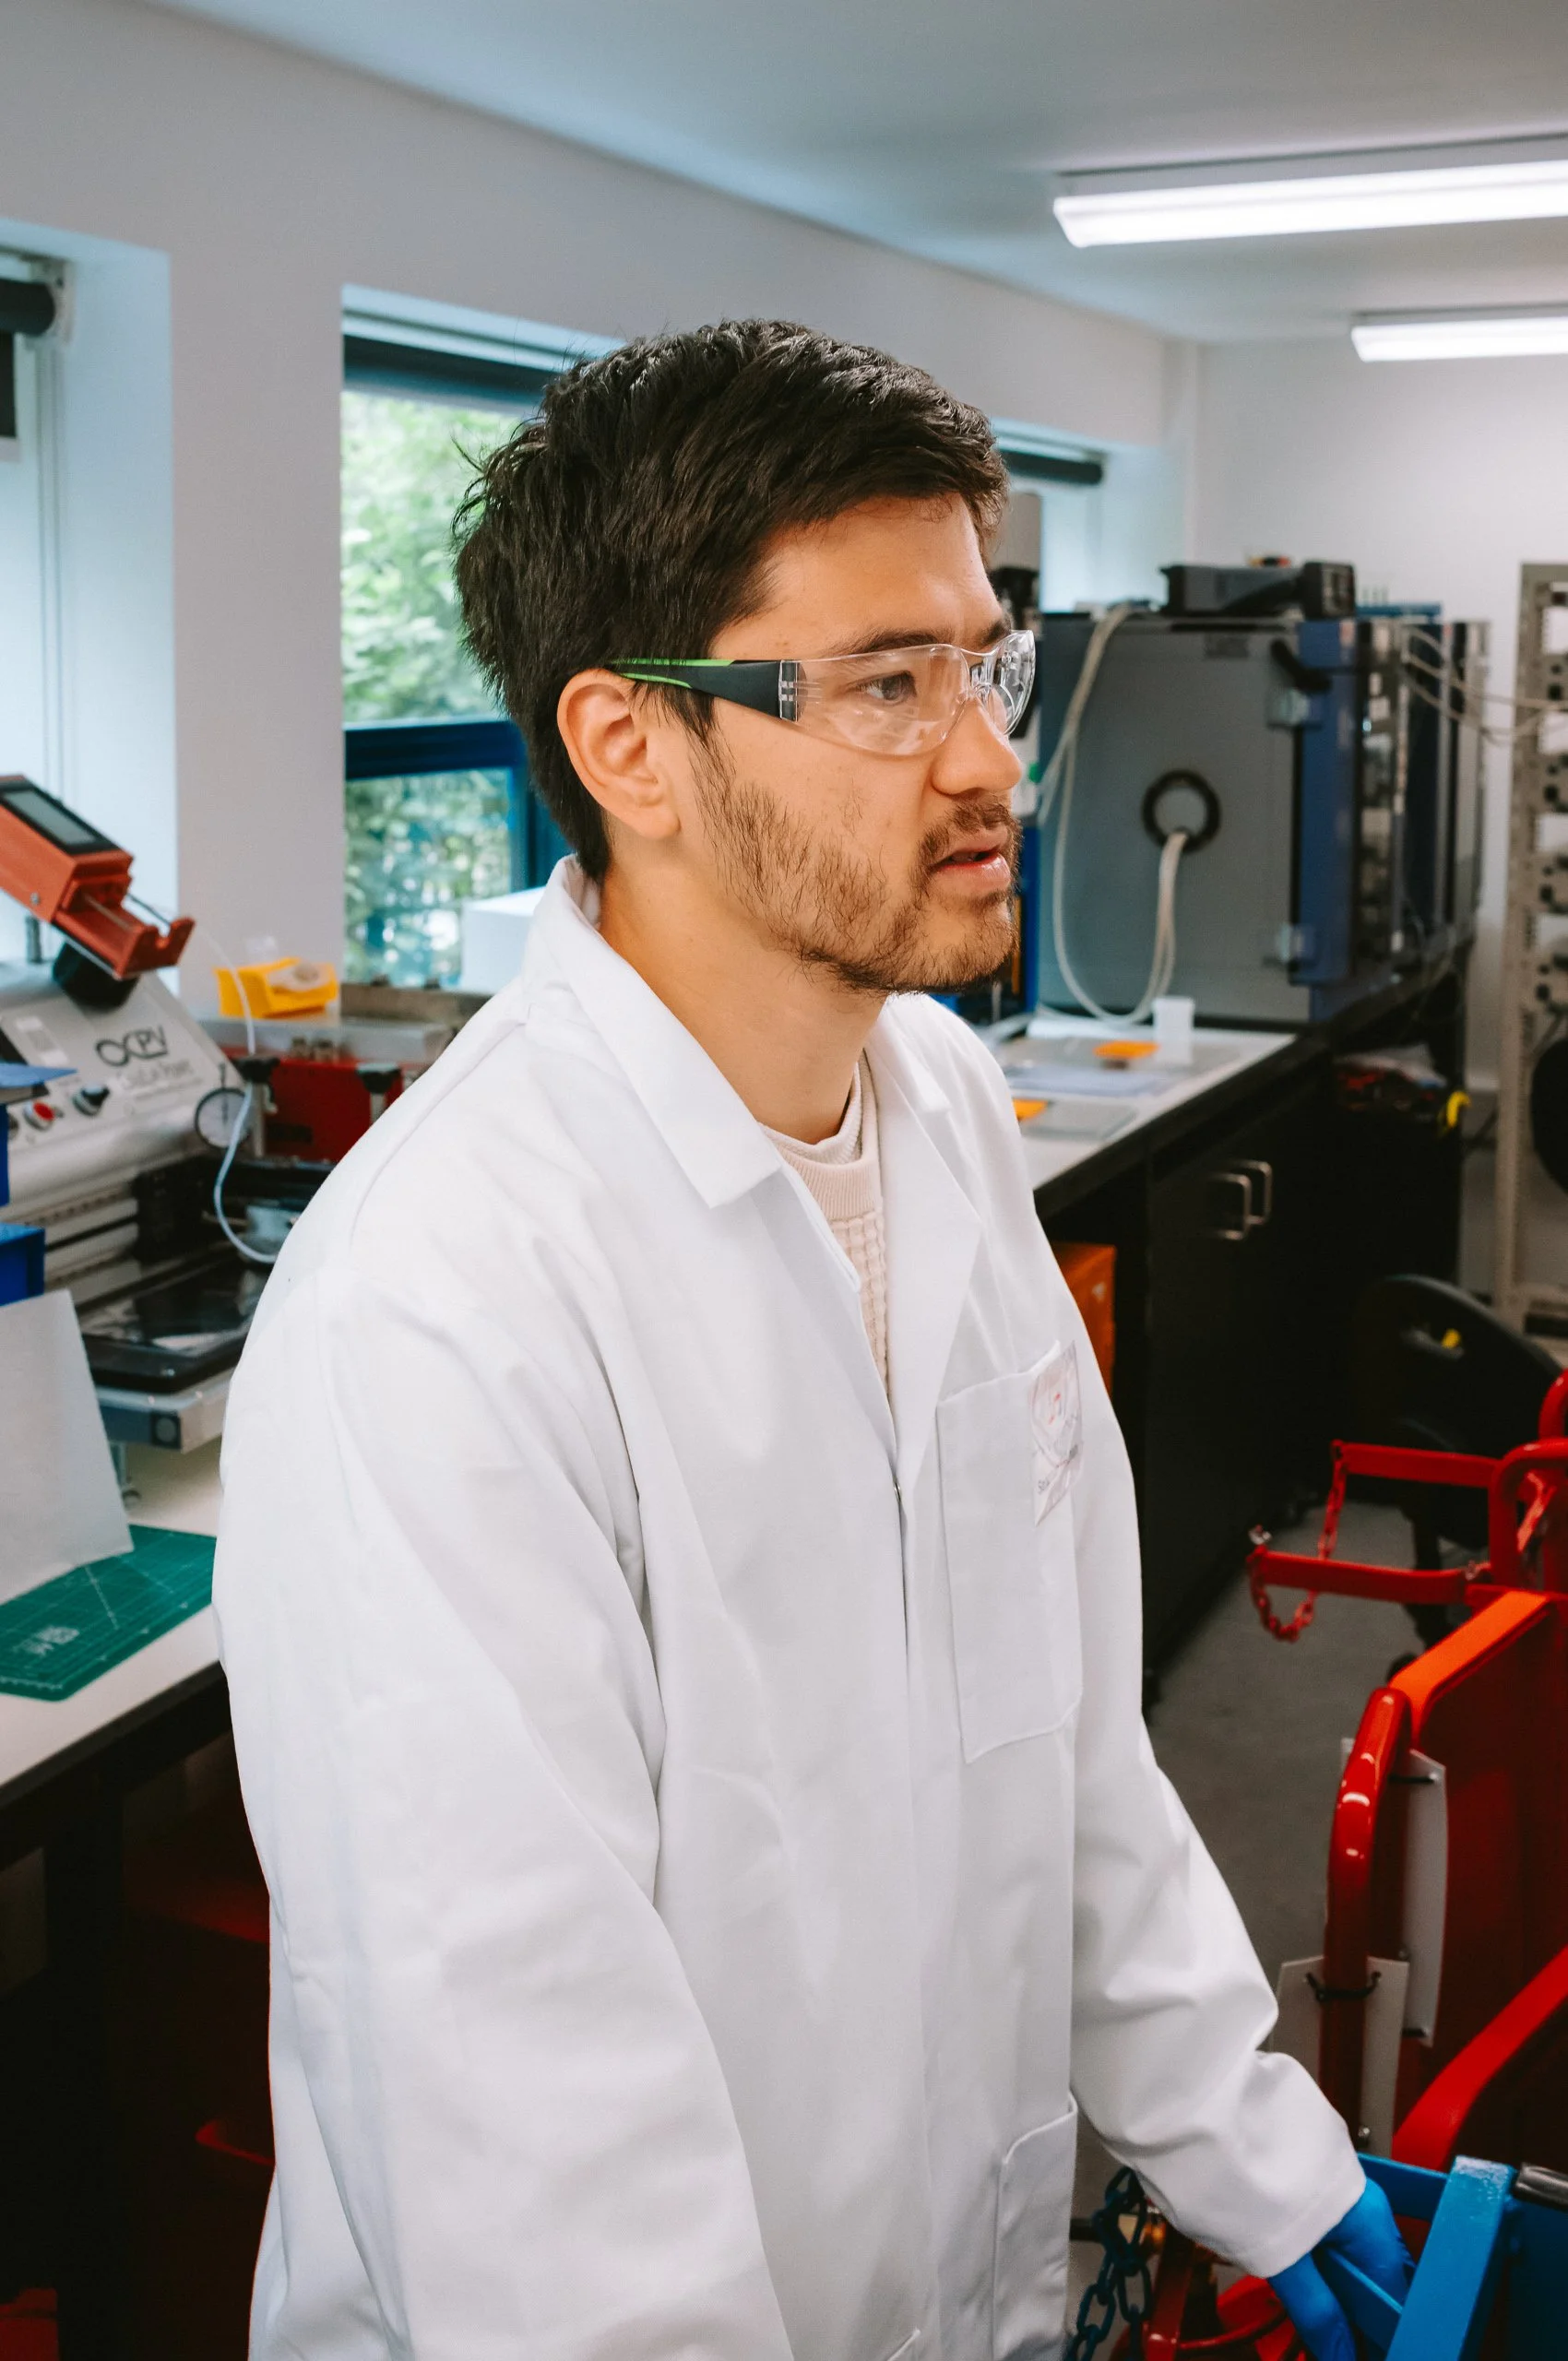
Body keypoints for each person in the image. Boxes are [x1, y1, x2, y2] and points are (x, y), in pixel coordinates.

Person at [215, 320, 1408, 2361]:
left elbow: (1060, 1743)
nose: (986, 757)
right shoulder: (442, 1307)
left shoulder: (932, 1101)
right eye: (883, 684)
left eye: (980, 661)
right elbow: (539, 2150)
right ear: (629, 747)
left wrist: (1259, 2153)